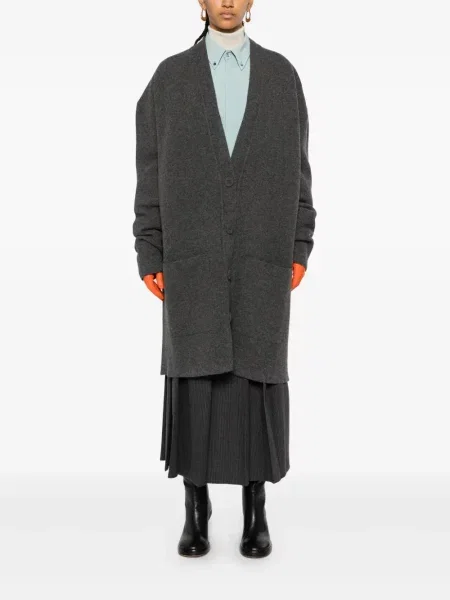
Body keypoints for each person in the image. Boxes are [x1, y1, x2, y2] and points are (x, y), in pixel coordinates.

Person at [132, 0, 316, 559]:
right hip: (193, 259)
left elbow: (301, 171)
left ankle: (256, 506)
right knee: (196, 376)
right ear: (201, 2)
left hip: (262, 256)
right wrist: (149, 246)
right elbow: (149, 170)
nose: (228, 1)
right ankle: (196, 505)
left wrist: (299, 242)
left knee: (257, 375)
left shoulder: (281, 77)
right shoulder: (169, 80)